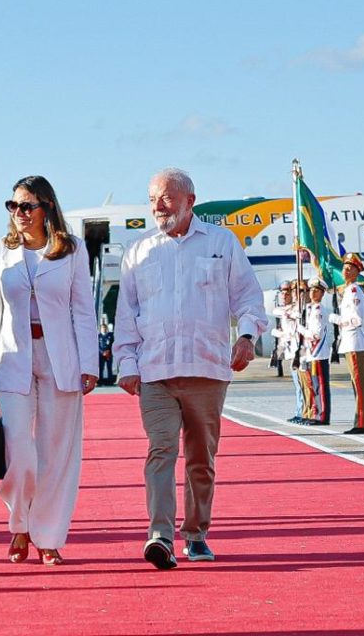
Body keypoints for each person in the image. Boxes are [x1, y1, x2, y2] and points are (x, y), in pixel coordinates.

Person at [114, 168, 266, 570]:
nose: (158, 206)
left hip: (206, 369)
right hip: (156, 371)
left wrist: (247, 337)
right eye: (152, 199)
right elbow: (126, 315)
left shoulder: (221, 243)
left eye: (166, 197)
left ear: (189, 200)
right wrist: (126, 363)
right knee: (160, 450)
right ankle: (160, 535)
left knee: (201, 457)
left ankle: (196, 533)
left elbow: (248, 297)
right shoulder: (138, 250)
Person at [0, 175, 98, 567]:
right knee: (21, 454)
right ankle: (19, 523)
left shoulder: (71, 250)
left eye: (27, 206)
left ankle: (47, 534)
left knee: (56, 452)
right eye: (13, 206)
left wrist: (90, 364)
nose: (19, 214)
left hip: (60, 357)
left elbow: (83, 309)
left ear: (46, 208)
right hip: (11, 359)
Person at [329, 253, 364, 435]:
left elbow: (356, 319)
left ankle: (363, 423)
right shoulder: (348, 291)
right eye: (345, 268)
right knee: (357, 384)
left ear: (357, 272)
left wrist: (338, 320)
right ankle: (362, 420)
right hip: (350, 341)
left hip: (355, 340)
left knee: (360, 384)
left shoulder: (355, 291)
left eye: (350, 268)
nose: (346, 271)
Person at [297, 278, 331, 425]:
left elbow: (315, 334)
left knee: (321, 386)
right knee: (314, 385)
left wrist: (301, 329)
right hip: (311, 353)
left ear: (322, 293)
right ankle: (315, 414)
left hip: (318, 353)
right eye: (311, 290)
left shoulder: (318, 310)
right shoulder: (310, 309)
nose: (312, 292)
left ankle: (322, 416)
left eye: (316, 290)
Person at [271, 280, 306, 424]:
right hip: (292, 352)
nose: (285, 295)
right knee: (298, 384)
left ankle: (303, 412)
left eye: (288, 292)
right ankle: (300, 411)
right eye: (283, 292)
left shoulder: (295, 310)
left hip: (299, 351)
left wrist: (279, 334)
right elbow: (276, 311)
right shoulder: (286, 310)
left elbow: (292, 332)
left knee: (302, 385)